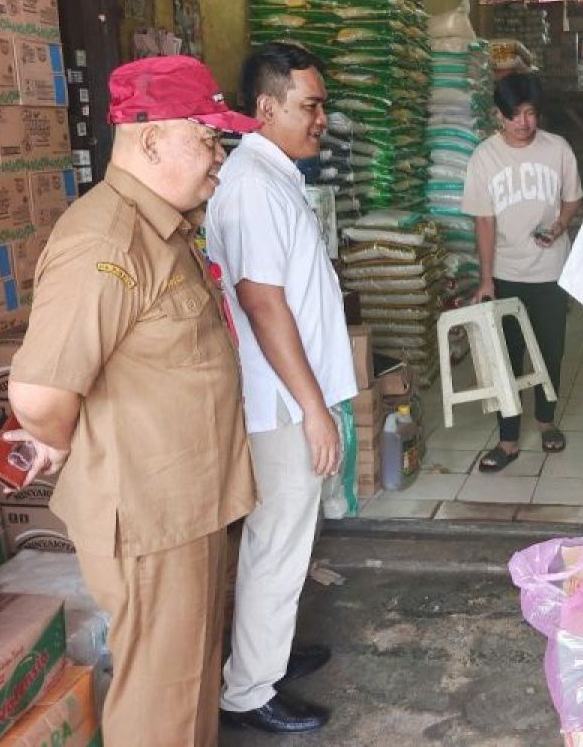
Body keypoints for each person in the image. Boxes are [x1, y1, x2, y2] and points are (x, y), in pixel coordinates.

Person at [5, 55, 259, 746]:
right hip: (148, 514)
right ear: (151, 141)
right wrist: (58, 439)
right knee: (161, 702)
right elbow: (38, 394)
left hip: (185, 504)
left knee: (187, 687)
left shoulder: (161, 227)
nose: (218, 159)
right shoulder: (105, 241)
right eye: (207, 139)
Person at [207, 43, 356, 735]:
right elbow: (263, 304)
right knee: (277, 538)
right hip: (278, 403)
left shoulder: (273, 175)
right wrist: (313, 408)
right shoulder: (253, 187)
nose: (321, 117)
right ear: (266, 109)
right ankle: (248, 692)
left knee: (288, 535)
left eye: (321, 104)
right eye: (310, 105)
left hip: (288, 397)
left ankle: (267, 653)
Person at [462, 74, 583, 472]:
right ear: (498, 115)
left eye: (531, 113)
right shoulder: (485, 157)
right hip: (506, 272)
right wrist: (485, 280)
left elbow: (573, 199)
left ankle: (547, 422)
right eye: (514, 115)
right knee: (507, 358)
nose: (524, 123)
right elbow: (484, 222)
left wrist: (560, 226)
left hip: (550, 271)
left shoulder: (558, 149)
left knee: (551, 351)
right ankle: (509, 439)